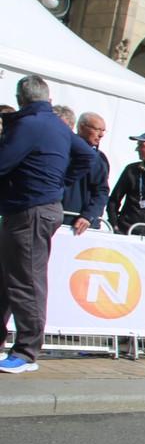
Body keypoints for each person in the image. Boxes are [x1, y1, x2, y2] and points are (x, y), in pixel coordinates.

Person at [0, 76, 95, 372]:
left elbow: (2, 163)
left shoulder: (30, 125)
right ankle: (22, 348)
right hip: (38, 207)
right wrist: (58, 184)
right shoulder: (56, 125)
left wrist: (51, 185)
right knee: (10, 278)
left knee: (25, 281)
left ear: (21, 99)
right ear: (47, 98)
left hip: (29, 208)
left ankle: (26, 352)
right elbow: (87, 156)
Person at [60, 112, 109, 234]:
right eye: (97, 129)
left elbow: (101, 192)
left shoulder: (100, 158)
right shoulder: (63, 150)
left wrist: (89, 216)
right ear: (82, 127)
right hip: (55, 218)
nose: (101, 135)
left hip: (81, 226)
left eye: (103, 130)